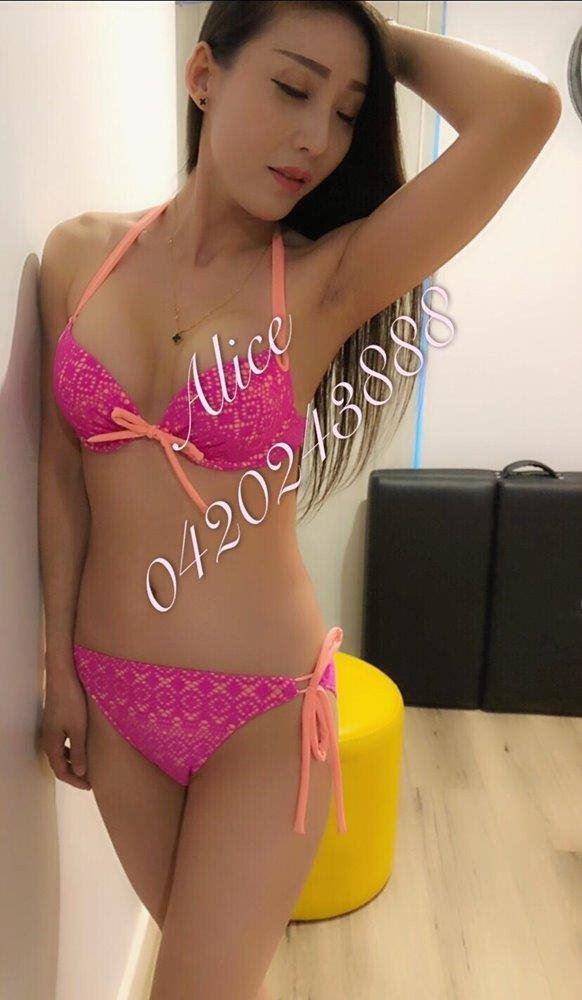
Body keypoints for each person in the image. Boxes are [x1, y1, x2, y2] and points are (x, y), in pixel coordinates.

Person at [37, 2, 560, 997]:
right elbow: (63, 477)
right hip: (114, 703)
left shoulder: (328, 279)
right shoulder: (77, 255)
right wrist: (58, 667)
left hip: (263, 721)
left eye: (348, 110)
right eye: (291, 87)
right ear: (203, 75)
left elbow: (525, 111)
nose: (318, 137)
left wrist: (377, 34)